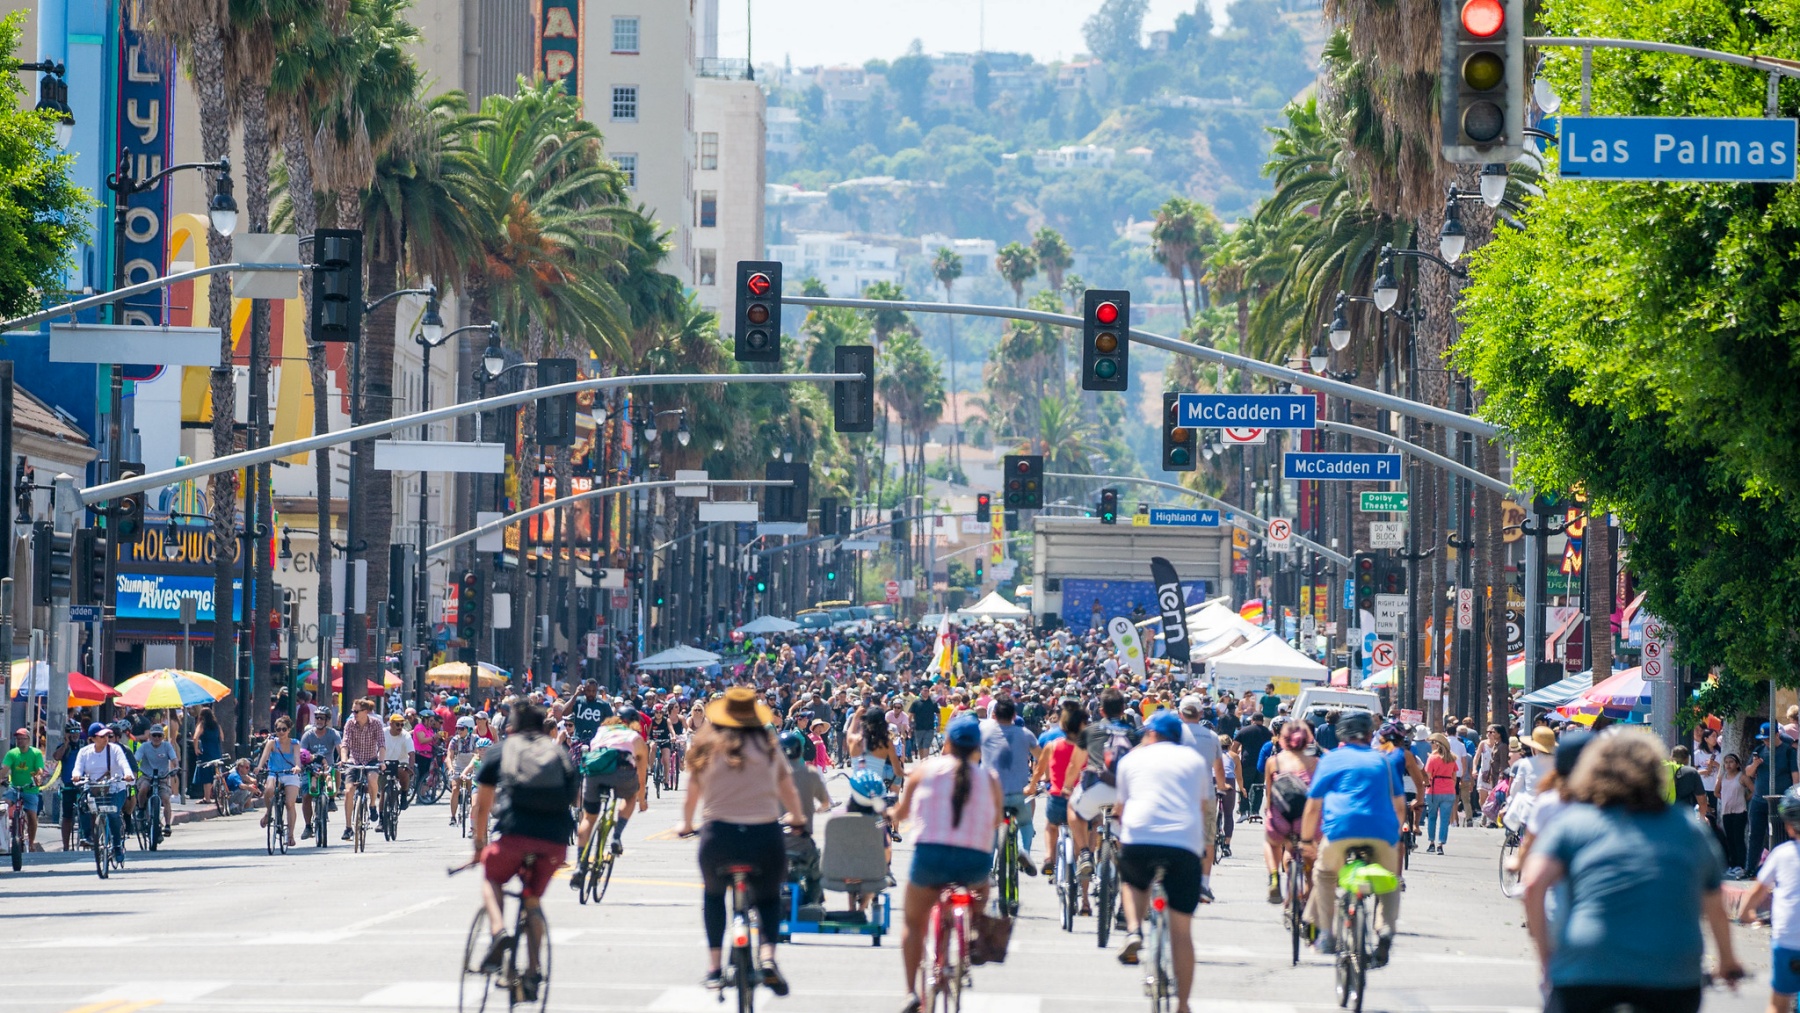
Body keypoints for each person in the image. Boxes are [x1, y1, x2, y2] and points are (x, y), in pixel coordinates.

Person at [1522, 731, 1743, 1013]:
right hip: (1671, 968)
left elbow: (1532, 885)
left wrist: (1547, 959)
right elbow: (1714, 903)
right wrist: (1727, 961)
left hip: (1586, 965)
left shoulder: (1573, 824)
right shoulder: (1688, 829)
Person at [677, 687, 806, 995]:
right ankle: (768, 957)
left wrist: (685, 825)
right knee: (769, 898)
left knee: (713, 896)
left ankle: (713, 966)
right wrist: (798, 820)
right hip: (764, 836)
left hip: (718, 837)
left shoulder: (706, 745)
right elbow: (788, 791)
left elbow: (691, 795)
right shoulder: (768, 746)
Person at [470, 700, 578, 1004]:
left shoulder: (502, 750)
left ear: (511, 727)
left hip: (514, 833)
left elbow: (482, 805)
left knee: (491, 878)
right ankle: (533, 969)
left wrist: (479, 845)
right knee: (532, 899)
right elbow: (574, 795)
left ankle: (499, 931)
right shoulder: (558, 752)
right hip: (555, 842)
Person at [893, 715, 1002, 1013]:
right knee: (982, 889)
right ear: (977, 748)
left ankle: (909, 992)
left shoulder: (925, 770)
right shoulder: (989, 779)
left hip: (931, 857)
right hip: (974, 862)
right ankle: (974, 929)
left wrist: (896, 811)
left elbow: (901, 815)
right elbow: (995, 821)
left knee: (914, 923)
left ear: (948, 743)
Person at [1112, 711, 1211, 1013]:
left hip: (1140, 837)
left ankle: (1133, 929)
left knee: (1131, 880)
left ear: (1152, 734)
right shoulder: (1194, 761)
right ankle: (1182, 1005)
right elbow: (1202, 805)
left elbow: (1121, 806)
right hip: (1183, 844)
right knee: (1182, 932)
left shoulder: (1131, 759)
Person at [1300, 711, 1404, 963]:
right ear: (1370, 735)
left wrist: (1305, 842)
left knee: (1324, 875)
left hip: (1341, 831)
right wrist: (1394, 834)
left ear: (1341, 736)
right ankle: (1385, 928)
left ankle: (1326, 933)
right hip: (1382, 830)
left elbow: (1313, 807)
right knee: (1390, 880)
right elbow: (1400, 806)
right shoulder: (1384, 761)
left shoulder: (1331, 760)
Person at [1738, 786, 1800, 1013]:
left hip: (1788, 941)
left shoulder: (1781, 853)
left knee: (1778, 1002)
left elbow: (1757, 891)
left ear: (1788, 825)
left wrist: (1746, 914)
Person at [571, 710, 649, 883]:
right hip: (622, 771)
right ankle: (616, 836)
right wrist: (641, 800)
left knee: (589, 818)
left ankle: (579, 866)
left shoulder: (601, 731)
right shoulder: (635, 738)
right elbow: (641, 778)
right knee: (630, 797)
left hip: (594, 773)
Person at [1069, 687, 1139, 877]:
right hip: (1123, 793)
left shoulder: (1090, 731)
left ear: (1101, 711)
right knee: (1126, 833)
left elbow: (1075, 764)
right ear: (1123, 709)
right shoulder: (1132, 733)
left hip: (1096, 787)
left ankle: (1084, 853)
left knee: (1073, 811)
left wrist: (1067, 787)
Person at [1173, 695, 1229, 902]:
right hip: (1204, 794)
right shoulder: (1211, 736)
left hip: (1177, 794)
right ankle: (1203, 884)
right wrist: (1223, 786)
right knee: (1207, 838)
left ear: (1180, 713)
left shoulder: (1174, 734)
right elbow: (1219, 768)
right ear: (1201, 713)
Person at [979, 695, 1041, 876]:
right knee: (1026, 824)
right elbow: (1042, 756)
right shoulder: (1025, 734)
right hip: (1017, 794)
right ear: (1014, 715)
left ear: (994, 715)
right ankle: (1024, 851)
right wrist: (1036, 781)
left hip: (991, 793)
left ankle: (988, 868)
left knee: (990, 828)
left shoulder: (983, 730)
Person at [1027, 701, 1085, 879]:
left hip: (1057, 796)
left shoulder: (1052, 745)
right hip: (1079, 799)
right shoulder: (1085, 747)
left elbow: (1038, 769)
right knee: (1081, 831)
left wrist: (1031, 786)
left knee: (1051, 827)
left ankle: (1049, 858)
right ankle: (1080, 860)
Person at [1263, 717, 1318, 904]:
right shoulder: (1316, 762)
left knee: (1273, 843)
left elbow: (1269, 794)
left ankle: (1274, 877)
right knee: (1311, 858)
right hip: (1306, 819)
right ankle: (1308, 908)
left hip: (1281, 818)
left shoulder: (1273, 762)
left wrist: (1270, 812)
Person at [71, 724, 135, 861]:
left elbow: (124, 764)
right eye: (102, 736)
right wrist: (76, 776)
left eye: (107, 735)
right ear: (92, 738)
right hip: (94, 787)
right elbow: (77, 768)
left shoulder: (115, 749)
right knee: (82, 804)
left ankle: (117, 846)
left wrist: (128, 775)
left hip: (115, 788)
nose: (106, 738)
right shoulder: (84, 752)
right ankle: (86, 836)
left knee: (113, 814)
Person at [339, 698, 385, 841]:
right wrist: (344, 760)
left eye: (356, 711)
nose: (354, 714)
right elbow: (345, 743)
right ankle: (348, 828)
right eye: (353, 711)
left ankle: (372, 805)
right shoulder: (350, 724)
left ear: (366, 712)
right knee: (348, 791)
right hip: (354, 760)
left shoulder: (376, 724)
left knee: (372, 779)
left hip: (371, 759)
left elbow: (382, 744)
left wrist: (382, 761)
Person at [255, 715, 303, 848]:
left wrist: (297, 767)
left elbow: (297, 759)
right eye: (278, 729)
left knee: (289, 803)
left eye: (284, 729)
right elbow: (264, 757)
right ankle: (268, 813)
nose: (281, 732)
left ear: (289, 730)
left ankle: (291, 835)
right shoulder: (272, 743)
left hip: (290, 774)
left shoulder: (295, 743)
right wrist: (259, 767)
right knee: (269, 790)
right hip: (274, 773)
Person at [299, 707, 341, 840]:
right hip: (311, 768)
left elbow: (340, 749)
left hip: (328, 767)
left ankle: (332, 799)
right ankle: (308, 826)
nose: (318, 720)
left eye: (321, 718)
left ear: (327, 720)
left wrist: (343, 760)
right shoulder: (308, 735)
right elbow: (302, 753)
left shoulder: (333, 733)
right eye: (316, 717)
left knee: (338, 772)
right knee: (306, 796)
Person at [3, 727, 46, 851]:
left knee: (32, 815)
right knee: (3, 807)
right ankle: (3, 838)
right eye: (18, 739)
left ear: (28, 740)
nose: (20, 741)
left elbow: (40, 770)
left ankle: (31, 842)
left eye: (22, 738)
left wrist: (38, 778)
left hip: (30, 789)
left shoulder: (36, 753)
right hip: (14, 787)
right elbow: (5, 769)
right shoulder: (12, 753)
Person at [136, 724, 180, 837]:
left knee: (166, 798)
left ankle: (168, 825)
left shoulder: (167, 746)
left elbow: (174, 759)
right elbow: (136, 759)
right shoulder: (144, 746)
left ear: (163, 736)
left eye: (159, 735)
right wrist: (133, 767)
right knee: (144, 788)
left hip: (162, 778)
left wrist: (176, 767)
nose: (156, 738)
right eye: (154, 735)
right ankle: (141, 809)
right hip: (146, 776)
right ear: (150, 736)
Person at [1423, 733, 1460, 855]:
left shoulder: (1432, 758)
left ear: (1437, 745)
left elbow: (1428, 776)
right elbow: (1454, 777)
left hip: (1434, 790)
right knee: (1444, 819)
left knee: (1432, 817)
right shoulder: (1452, 759)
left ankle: (1431, 843)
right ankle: (1440, 844)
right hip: (1448, 790)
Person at [1720, 753, 1751, 878]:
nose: (1728, 765)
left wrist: (1744, 799)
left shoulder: (1742, 777)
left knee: (1738, 839)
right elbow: (1717, 792)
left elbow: (1753, 790)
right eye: (1726, 762)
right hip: (1727, 812)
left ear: (1737, 764)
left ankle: (1741, 865)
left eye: (1731, 762)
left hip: (1740, 811)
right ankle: (1732, 865)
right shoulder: (1723, 777)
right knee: (1730, 839)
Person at [190, 706, 222, 803]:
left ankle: (207, 798)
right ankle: (219, 796)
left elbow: (195, 737)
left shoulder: (202, 725)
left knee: (206, 776)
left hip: (206, 752)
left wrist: (196, 748)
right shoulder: (216, 725)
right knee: (217, 773)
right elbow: (222, 737)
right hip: (216, 751)